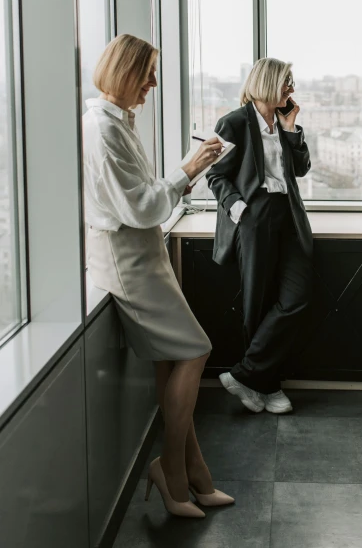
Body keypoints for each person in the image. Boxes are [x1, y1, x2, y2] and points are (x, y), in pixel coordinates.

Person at [83, 34, 234, 518]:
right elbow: (143, 206)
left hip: (144, 255)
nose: (153, 82)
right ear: (124, 72)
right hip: (127, 261)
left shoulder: (119, 123)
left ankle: (195, 474)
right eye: (147, 73)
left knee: (172, 362)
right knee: (195, 348)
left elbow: (143, 200)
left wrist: (186, 172)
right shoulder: (101, 130)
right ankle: (170, 472)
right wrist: (189, 169)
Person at [207, 58, 313, 415]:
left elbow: (300, 169)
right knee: (257, 304)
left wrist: (292, 128)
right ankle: (267, 387)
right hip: (255, 217)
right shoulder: (235, 122)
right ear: (268, 83)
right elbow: (216, 176)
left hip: (288, 217)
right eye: (287, 83)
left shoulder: (283, 123)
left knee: (296, 298)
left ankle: (245, 376)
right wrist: (241, 210)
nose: (291, 90)